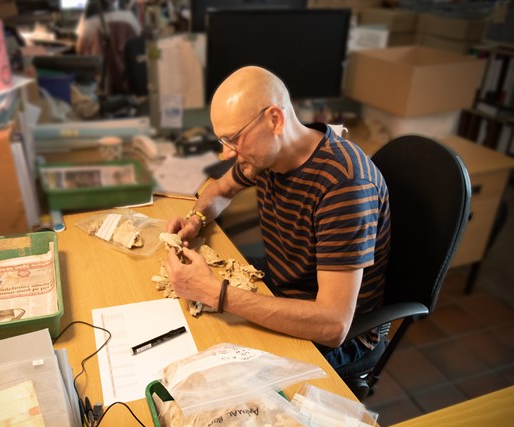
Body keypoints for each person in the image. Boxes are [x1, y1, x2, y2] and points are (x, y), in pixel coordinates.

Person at [164, 66, 391, 370]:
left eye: (232, 139)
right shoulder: (267, 156)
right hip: (282, 291)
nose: (225, 154)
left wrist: (214, 293)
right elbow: (219, 190)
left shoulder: (344, 186)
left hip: (334, 337)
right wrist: (197, 220)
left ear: (275, 119)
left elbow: (334, 325)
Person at [75, 0, 141, 94]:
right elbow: (138, 43)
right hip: (130, 78)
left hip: (102, 80)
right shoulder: (130, 18)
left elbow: (79, 49)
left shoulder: (91, 23)